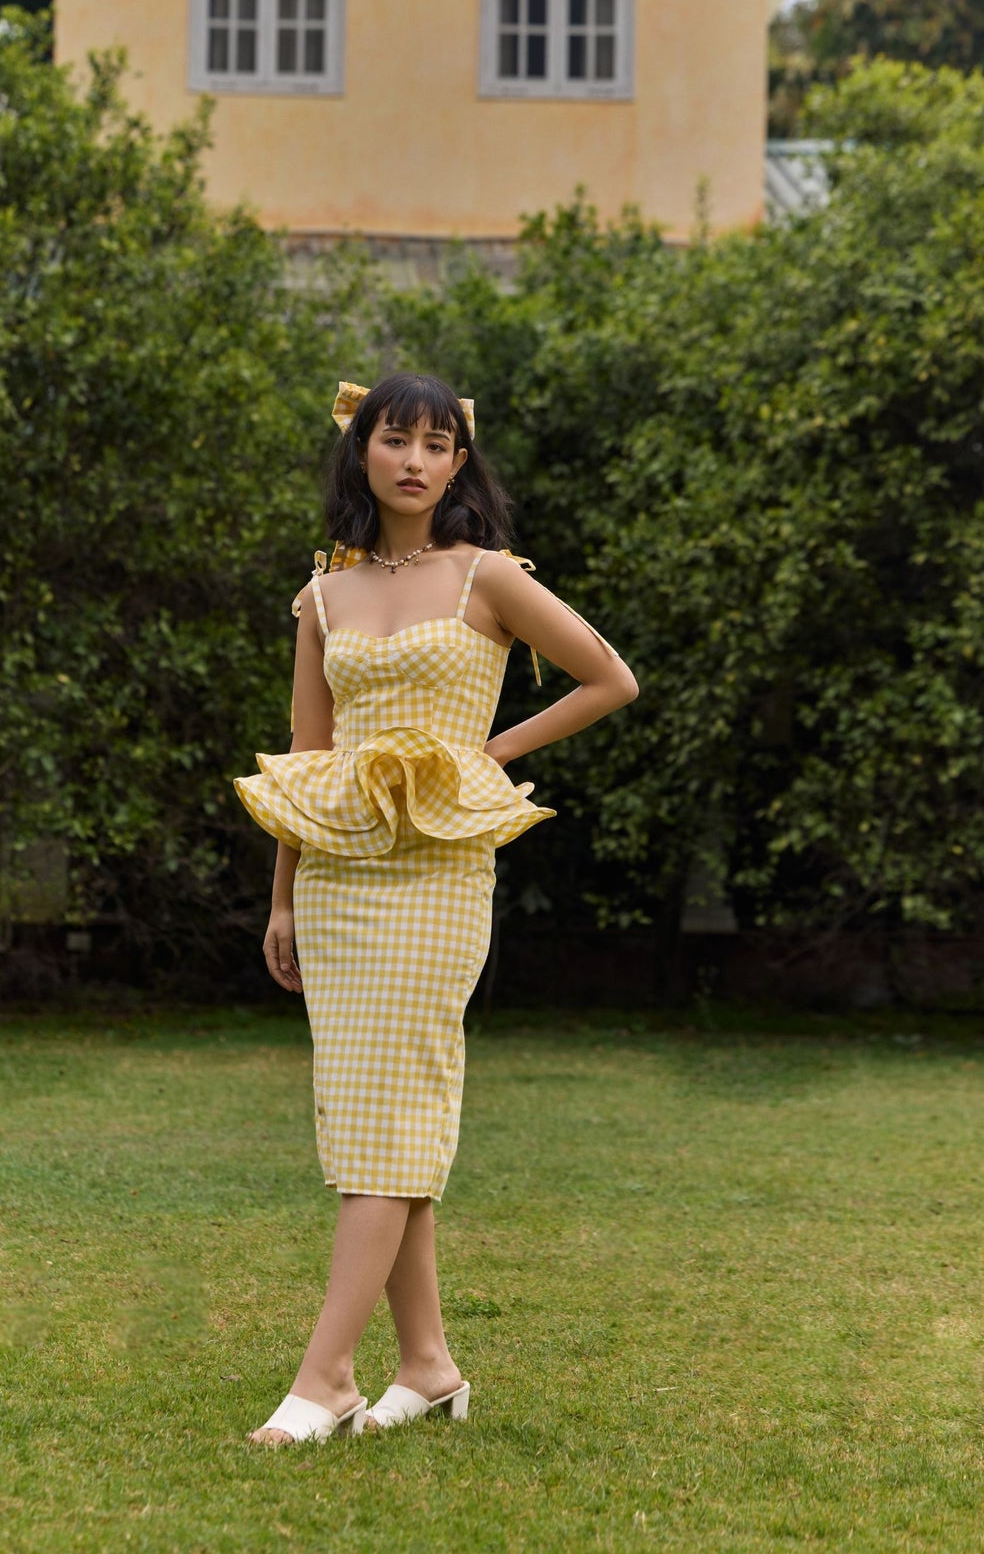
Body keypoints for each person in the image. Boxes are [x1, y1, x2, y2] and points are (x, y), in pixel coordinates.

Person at [233, 372, 639, 1446]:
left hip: (439, 876)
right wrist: (281, 897)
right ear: (361, 449)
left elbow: (610, 678)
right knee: (374, 1114)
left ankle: (325, 1377)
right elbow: (307, 754)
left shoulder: (488, 575)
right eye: (394, 438)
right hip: (336, 878)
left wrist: (490, 752)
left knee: (388, 1110)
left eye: (435, 443)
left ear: (460, 462)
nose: (413, 459)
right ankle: (428, 1364)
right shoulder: (323, 595)